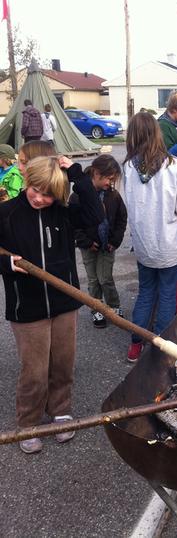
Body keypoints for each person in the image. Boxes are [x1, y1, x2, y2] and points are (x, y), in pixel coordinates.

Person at [0, 143, 103, 454]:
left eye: (48, 194)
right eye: (35, 190)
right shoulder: (7, 213)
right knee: (34, 369)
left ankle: (60, 411)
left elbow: (95, 214)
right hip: (26, 306)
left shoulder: (62, 212)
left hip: (63, 302)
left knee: (62, 362)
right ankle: (28, 422)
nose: (40, 198)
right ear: (26, 180)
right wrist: (8, 264)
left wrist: (75, 173)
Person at [123, 112, 177, 362]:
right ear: (156, 133)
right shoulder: (174, 165)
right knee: (166, 295)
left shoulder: (128, 167)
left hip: (143, 245)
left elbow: (129, 203)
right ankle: (160, 346)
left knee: (145, 294)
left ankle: (136, 344)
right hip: (168, 244)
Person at [70, 155, 127, 329]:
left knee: (105, 278)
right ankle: (96, 308)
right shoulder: (78, 196)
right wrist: (86, 241)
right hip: (88, 247)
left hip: (107, 245)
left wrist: (115, 240)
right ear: (96, 173)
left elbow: (121, 219)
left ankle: (113, 306)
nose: (111, 183)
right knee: (93, 279)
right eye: (109, 179)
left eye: (114, 180)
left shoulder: (113, 196)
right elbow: (73, 224)